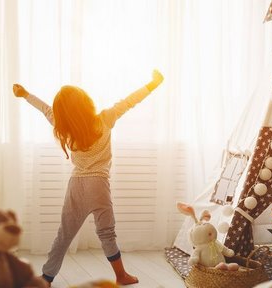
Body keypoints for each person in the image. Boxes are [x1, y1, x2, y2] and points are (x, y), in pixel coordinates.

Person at [12, 70, 164, 286]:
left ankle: (46, 278)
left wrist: (26, 94)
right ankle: (121, 275)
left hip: (76, 184)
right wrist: (153, 84)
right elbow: (130, 101)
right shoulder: (104, 119)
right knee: (106, 232)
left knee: (64, 234)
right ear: (86, 102)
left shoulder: (64, 127)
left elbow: (45, 110)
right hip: (98, 184)